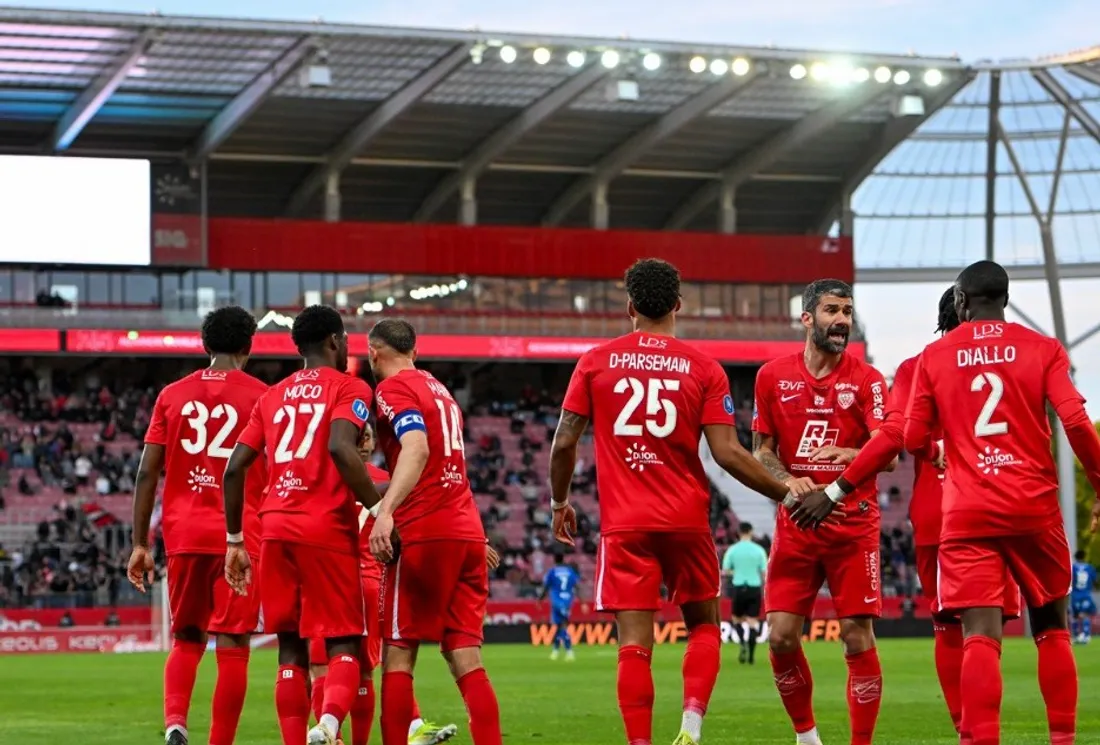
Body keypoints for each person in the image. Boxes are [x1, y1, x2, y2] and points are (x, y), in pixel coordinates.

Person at [549, 258, 832, 745]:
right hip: (686, 521)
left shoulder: (594, 362)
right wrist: (789, 491)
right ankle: (691, 725)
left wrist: (559, 502)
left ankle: (640, 742)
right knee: (704, 625)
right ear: (678, 305)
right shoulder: (704, 369)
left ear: (630, 306)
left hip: (626, 525)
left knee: (633, 646)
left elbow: (563, 442)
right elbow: (727, 454)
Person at [803, 286, 1021, 738]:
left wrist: (929, 447)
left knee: (946, 622)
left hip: (939, 511)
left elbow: (898, 434)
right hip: (1007, 503)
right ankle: (994, 730)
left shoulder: (918, 365)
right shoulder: (1010, 359)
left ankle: (966, 727)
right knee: (991, 628)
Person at [904, 259, 1100, 745]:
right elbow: (1076, 422)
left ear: (963, 302)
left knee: (980, 636)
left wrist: (939, 452)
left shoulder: (935, 356)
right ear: (1005, 300)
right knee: (1052, 627)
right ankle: (1063, 740)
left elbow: (911, 436)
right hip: (1034, 507)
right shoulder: (1043, 349)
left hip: (968, 511)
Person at [223, 305, 384, 745]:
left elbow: (234, 470)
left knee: (290, 651)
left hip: (273, 527)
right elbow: (340, 448)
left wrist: (235, 539)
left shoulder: (270, 396)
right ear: (334, 341)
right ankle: (330, 724)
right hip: (325, 527)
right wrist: (378, 508)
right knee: (345, 644)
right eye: (346, 338)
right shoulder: (351, 388)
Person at [752, 278, 889, 745]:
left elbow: (888, 453)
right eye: (832, 311)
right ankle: (806, 737)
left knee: (856, 635)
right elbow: (761, 449)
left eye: (847, 312)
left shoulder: (868, 379)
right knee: (781, 638)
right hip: (796, 523)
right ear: (807, 317)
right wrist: (789, 481)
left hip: (854, 525)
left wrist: (851, 455)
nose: (842, 321)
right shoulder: (771, 376)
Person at [127, 306, 267, 745]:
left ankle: (175, 724)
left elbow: (147, 472)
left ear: (206, 344)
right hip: (240, 536)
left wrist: (138, 544)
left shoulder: (171, 394)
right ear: (249, 346)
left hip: (184, 532)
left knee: (186, 639)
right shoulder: (263, 395)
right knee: (233, 644)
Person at [365, 318, 503, 745]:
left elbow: (418, 447)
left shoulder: (391, 389)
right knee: (466, 656)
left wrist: (385, 511)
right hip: (465, 530)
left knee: (399, 653)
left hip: (424, 530)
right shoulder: (441, 391)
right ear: (415, 352)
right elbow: (450, 464)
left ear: (374, 354)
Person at [307, 422, 462, 745]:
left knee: (323, 665)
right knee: (366, 670)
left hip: (330, 579)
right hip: (373, 582)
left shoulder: (322, 477)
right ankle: (412, 726)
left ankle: (329, 728)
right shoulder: (386, 482)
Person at [720, 522, 767, 665]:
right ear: (751, 532)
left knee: (736, 619)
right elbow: (764, 573)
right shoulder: (759, 550)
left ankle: (742, 644)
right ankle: (751, 656)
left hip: (739, 587)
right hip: (754, 588)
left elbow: (725, 571)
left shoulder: (732, 550)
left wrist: (737, 572)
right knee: (753, 622)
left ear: (739, 532)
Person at [543, 553, 580, 661]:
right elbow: (577, 586)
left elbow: (546, 586)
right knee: (561, 626)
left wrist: (540, 599)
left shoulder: (552, 571)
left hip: (556, 601)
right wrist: (582, 602)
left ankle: (568, 651)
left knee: (562, 626)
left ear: (554, 559)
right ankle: (556, 650)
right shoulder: (570, 571)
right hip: (568, 600)